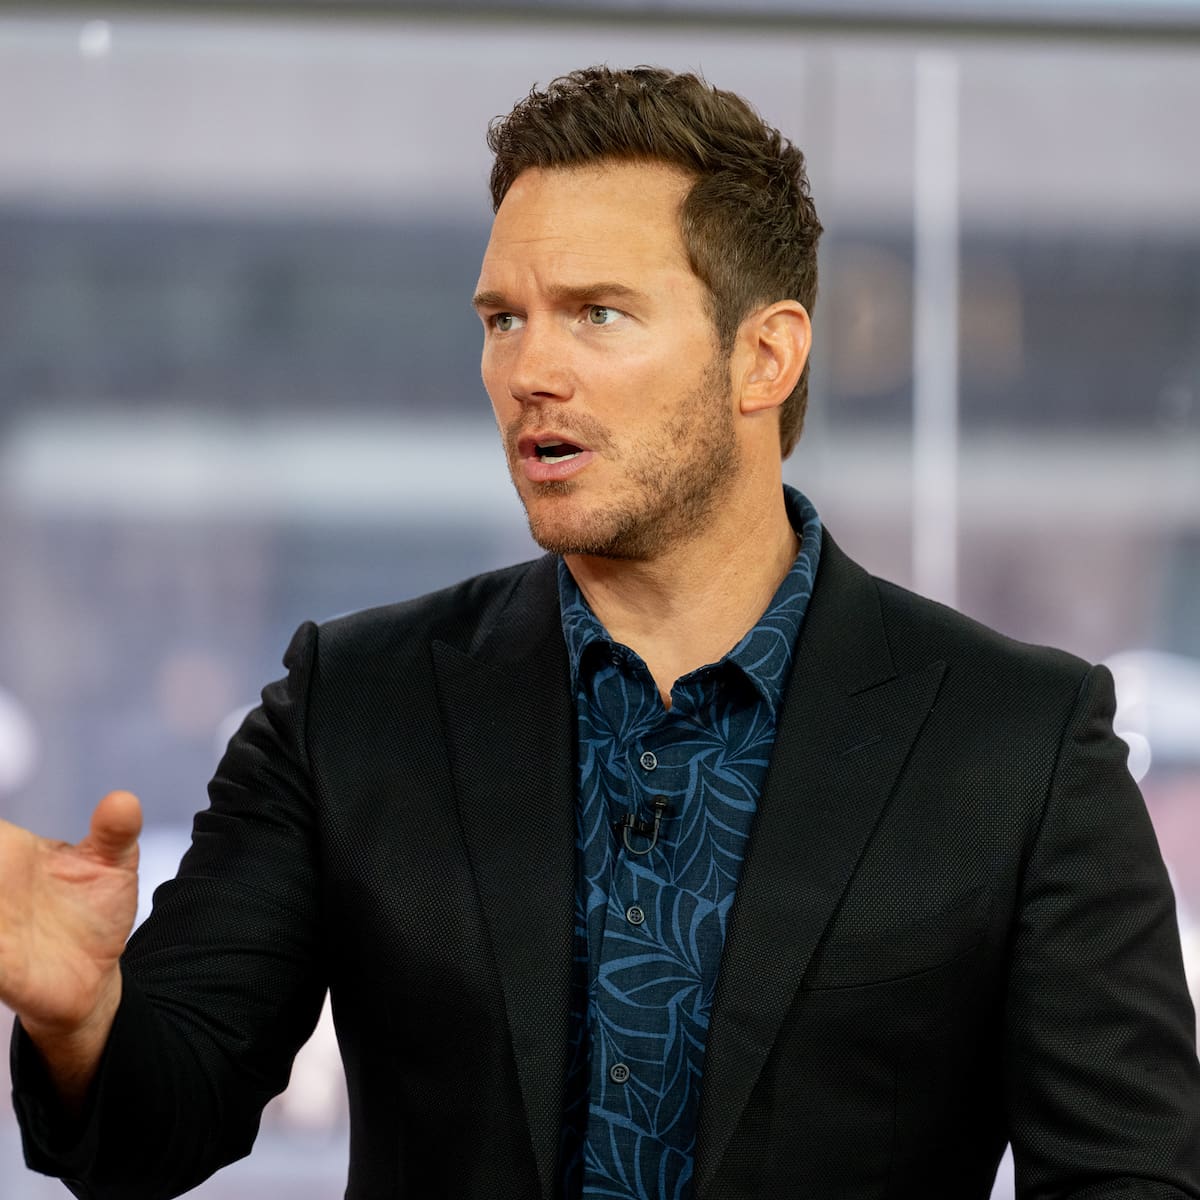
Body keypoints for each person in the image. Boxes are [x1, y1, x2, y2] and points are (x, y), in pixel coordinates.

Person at [3, 65, 1199, 1200]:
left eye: (598, 314)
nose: (531, 368)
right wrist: (83, 1020)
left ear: (765, 355)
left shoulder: (1020, 745)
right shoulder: (352, 703)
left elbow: (1131, 1172)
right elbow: (159, 1122)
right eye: (504, 320)